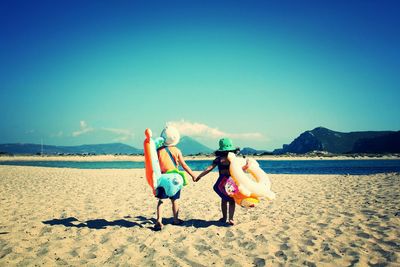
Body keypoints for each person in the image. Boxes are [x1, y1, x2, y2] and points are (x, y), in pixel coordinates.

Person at [154, 125, 197, 231]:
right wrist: (193, 175)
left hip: (163, 178)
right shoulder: (177, 150)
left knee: (161, 201)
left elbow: (154, 166)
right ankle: (176, 219)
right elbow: (184, 165)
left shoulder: (158, 150)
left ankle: (159, 220)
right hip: (174, 180)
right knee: (175, 200)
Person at [195, 138, 240, 225]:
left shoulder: (219, 159)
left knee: (224, 200)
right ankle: (231, 218)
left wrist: (200, 176)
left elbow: (209, 168)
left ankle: (224, 218)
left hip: (222, 183)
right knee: (231, 201)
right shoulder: (233, 159)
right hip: (231, 181)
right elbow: (240, 169)